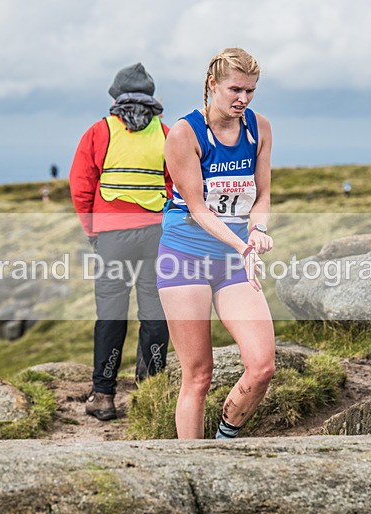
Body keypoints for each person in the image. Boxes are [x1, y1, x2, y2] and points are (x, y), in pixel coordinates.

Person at [158, 48, 275, 440]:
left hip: (233, 259)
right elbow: (198, 209)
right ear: (213, 84)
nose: (243, 99)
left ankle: (225, 437)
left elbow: (261, 196)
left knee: (262, 367)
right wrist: (242, 244)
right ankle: (191, 466)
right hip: (185, 256)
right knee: (198, 375)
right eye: (235, 89)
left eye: (251, 91)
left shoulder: (259, 129)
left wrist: (256, 231)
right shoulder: (184, 133)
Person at [69, 63, 171, 421]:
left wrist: (92, 230)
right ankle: (151, 393)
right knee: (156, 315)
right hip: (157, 236)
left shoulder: (100, 132)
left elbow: (81, 186)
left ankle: (103, 395)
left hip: (112, 237)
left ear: (115, 96)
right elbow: (178, 186)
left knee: (110, 315)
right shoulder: (168, 134)